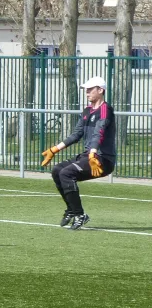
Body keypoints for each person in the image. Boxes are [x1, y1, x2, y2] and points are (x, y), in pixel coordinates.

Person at [41, 76, 116, 230]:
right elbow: (76, 134)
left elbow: (99, 132)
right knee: (57, 171)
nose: (87, 92)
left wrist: (93, 152)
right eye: (86, 90)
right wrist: (55, 149)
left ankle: (80, 215)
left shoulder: (105, 110)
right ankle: (71, 209)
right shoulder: (87, 110)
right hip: (89, 155)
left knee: (66, 174)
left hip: (102, 159)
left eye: (90, 89)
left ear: (100, 90)